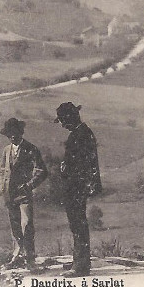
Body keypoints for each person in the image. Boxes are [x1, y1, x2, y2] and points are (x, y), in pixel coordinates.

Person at [54, 102, 101, 277]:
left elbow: (86, 164)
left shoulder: (81, 134)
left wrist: (67, 168)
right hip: (76, 185)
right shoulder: (81, 133)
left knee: (78, 224)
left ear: (69, 119)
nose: (62, 125)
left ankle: (81, 266)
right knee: (76, 224)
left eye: (63, 121)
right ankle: (78, 260)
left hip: (77, 186)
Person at [0, 118, 48, 270]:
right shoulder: (6, 150)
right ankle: (17, 256)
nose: (12, 136)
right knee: (15, 226)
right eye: (9, 134)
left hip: (24, 194)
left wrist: (29, 185)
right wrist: (1, 184)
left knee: (26, 224)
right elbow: (1, 170)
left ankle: (30, 259)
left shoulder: (31, 149)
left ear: (21, 132)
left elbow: (41, 171)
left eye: (15, 133)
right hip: (9, 195)